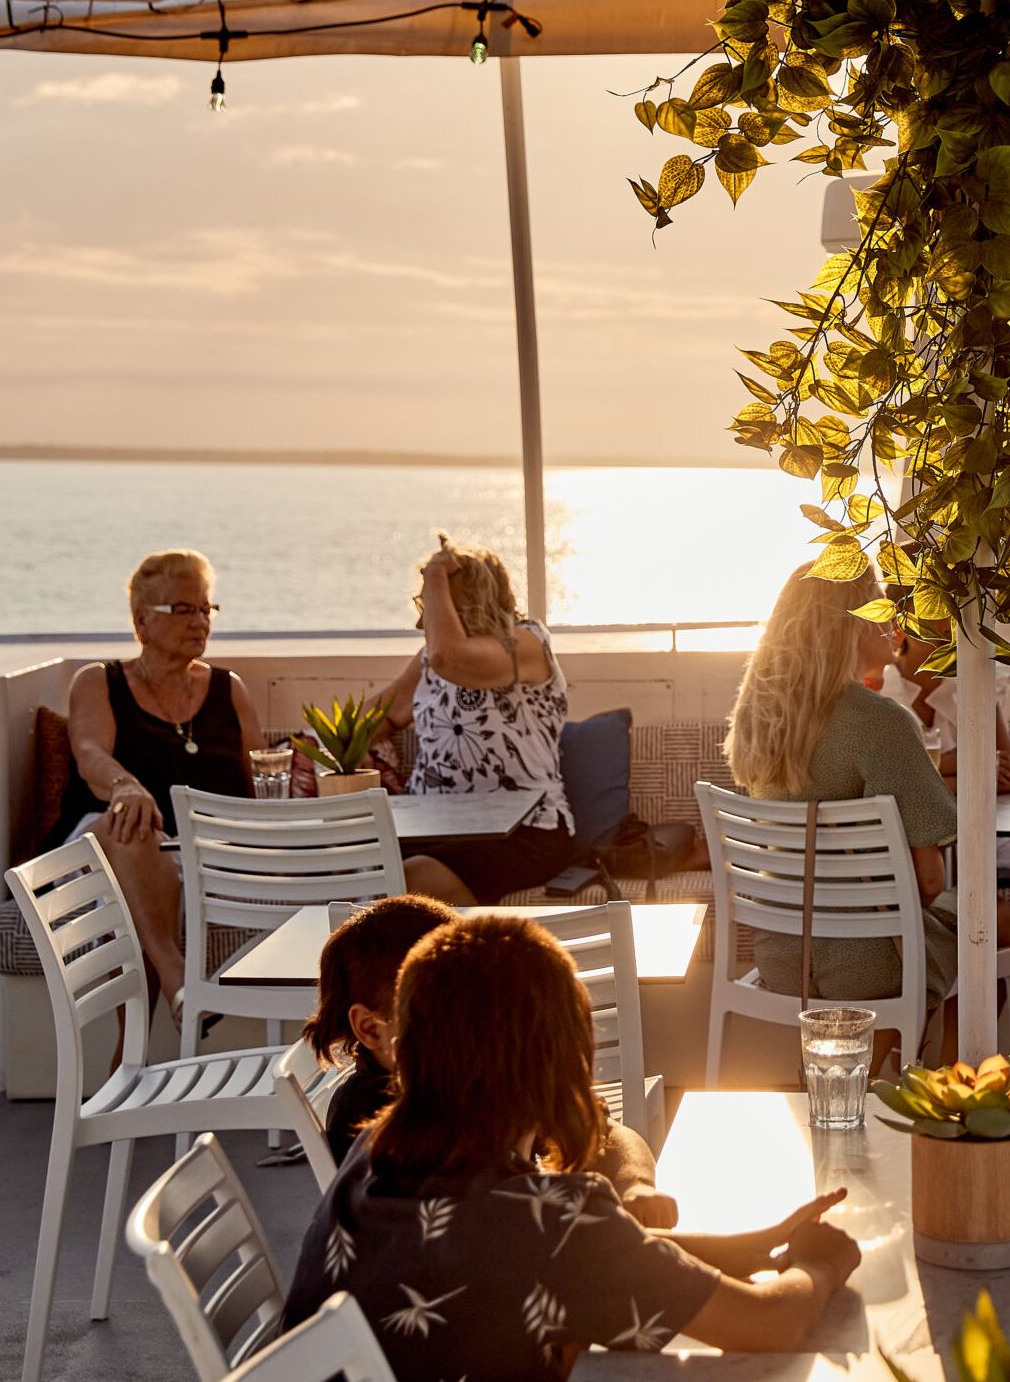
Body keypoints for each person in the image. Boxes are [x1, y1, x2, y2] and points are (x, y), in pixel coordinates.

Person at [286, 916, 861, 1372]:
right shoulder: (555, 1229)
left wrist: (748, 1247)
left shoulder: (373, 1152)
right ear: (565, 1066)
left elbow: (594, 1256)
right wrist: (821, 1265)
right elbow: (770, 1324)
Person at [303, 894, 676, 1226]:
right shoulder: (383, 1128)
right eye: (440, 1011)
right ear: (372, 1030)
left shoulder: (482, 1080)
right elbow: (523, 1236)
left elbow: (602, 1129)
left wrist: (635, 1184)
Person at [726, 564, 961, 1064]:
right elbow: (930, 881)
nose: (891, 614)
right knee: (981, 932)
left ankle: (846, 1082)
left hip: (781, 953)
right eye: (877, 600)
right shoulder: (883, 724)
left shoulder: (760, 717)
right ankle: (929, 1096)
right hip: (868, 964)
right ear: (850, 622)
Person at [56, 549, 259, 1005]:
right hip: (104, 847)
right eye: (183, 609)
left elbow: (258, 787)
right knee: (131, 829)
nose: (200, 621)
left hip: (200, 859)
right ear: (142, 621)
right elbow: (89, 753)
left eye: (206, 609)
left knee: (146, 879)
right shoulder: (98, 681)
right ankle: (180, 981)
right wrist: (125, 787)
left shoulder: (230, 690)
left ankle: (130, 1059)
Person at [375, 538, 577, 906]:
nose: (422, 620)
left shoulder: (529, 643)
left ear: (465, 604)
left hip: (525, 832)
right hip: (429, 828)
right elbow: (380, 716)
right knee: (352, 866)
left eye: (431, 607)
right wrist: (311, 748)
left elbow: (449, 658)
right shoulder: (428, 659)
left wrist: (436, 572)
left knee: (410, 879)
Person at [881, 621, 1010, 794]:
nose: (947, 625)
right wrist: (974, 763)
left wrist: (925, 778)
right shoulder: (878, 690)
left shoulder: (977, 686)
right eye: (932, 612)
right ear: (899, 626)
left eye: (952, 611)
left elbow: (1009, 779)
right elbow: (888, 778)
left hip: (971, 820)